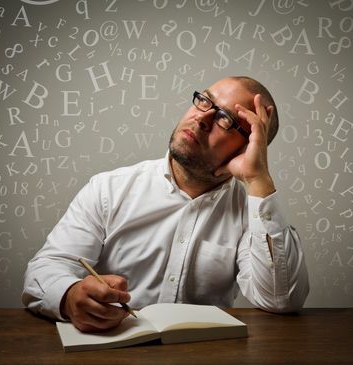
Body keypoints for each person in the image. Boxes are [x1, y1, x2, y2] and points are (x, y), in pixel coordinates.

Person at [22, 76, 309, 333]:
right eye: (205, 101)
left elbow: (281, 299)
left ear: (248, 147)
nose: (202, 118)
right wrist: (70, 295)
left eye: (224, 119)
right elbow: (45, 269)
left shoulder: (252, 214)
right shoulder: (109, 188)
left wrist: (258, 179)